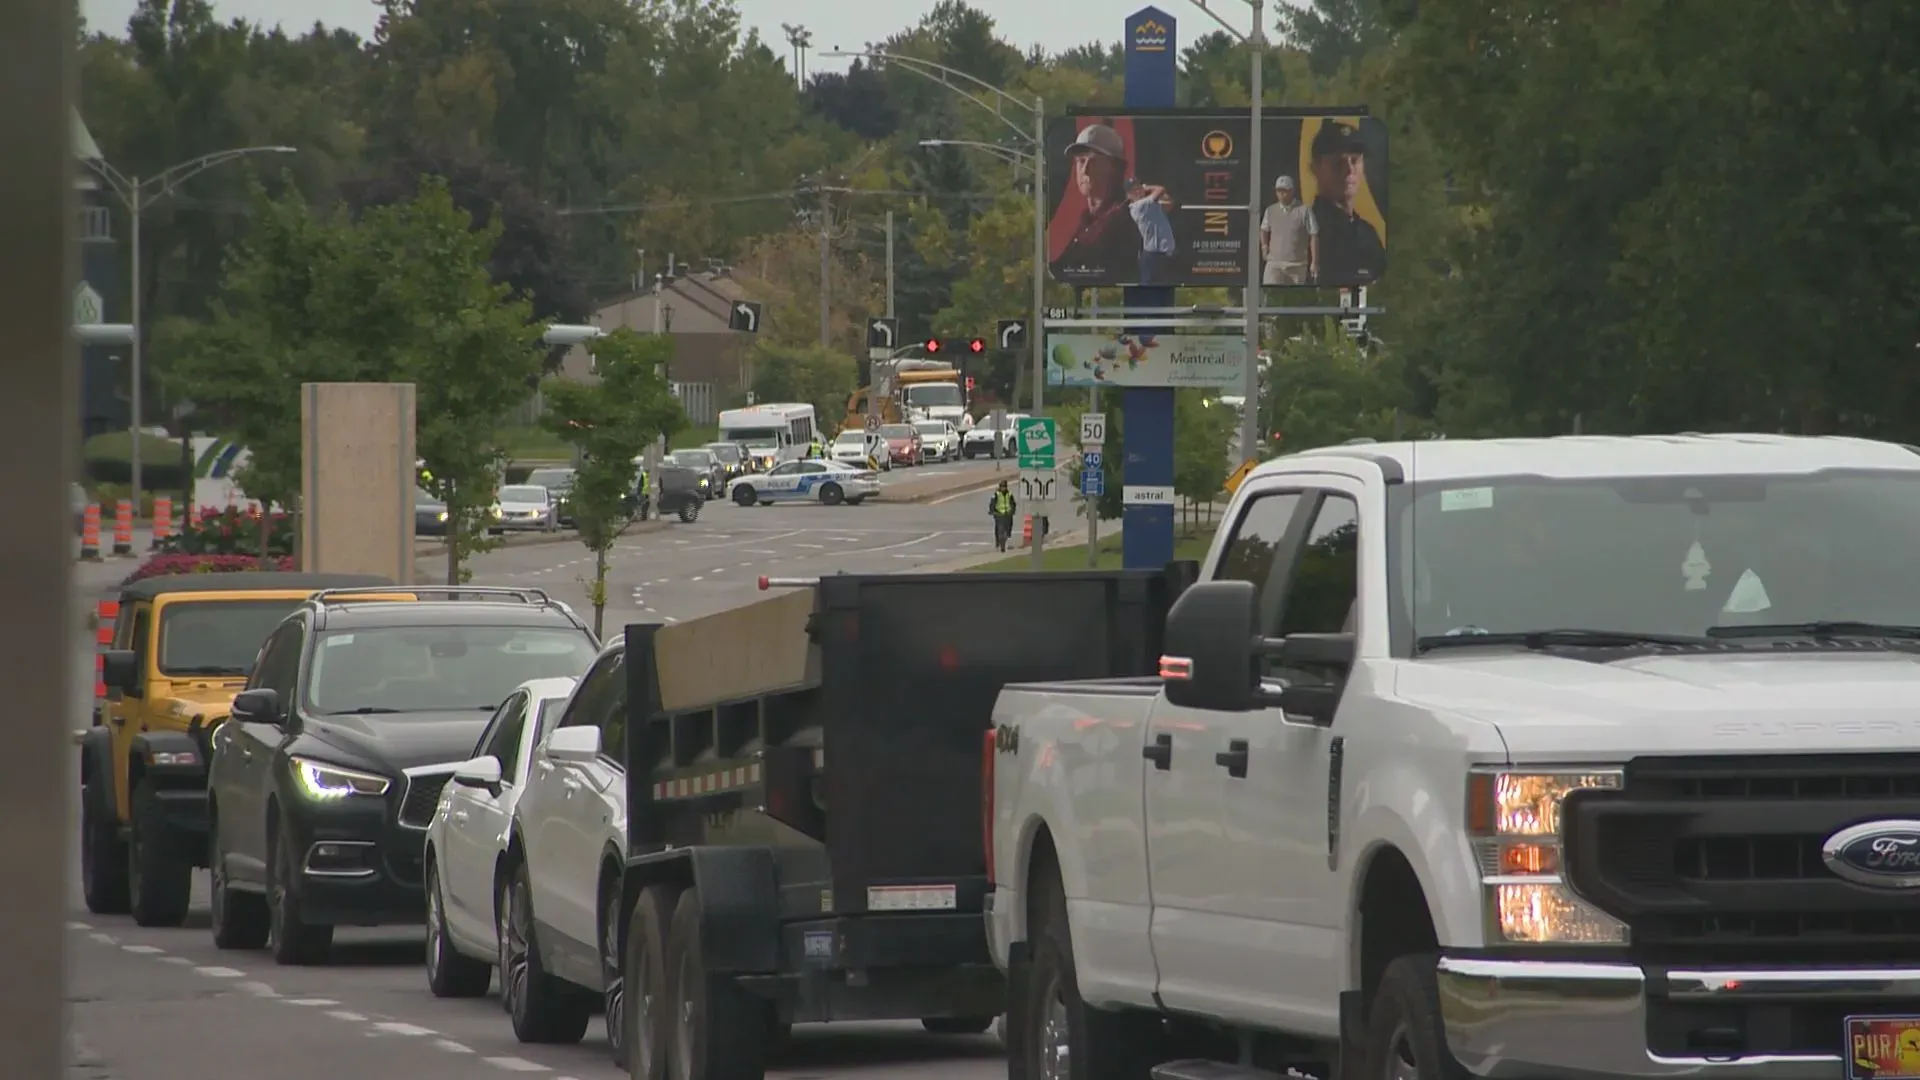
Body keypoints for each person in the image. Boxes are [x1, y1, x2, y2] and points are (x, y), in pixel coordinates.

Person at [1050, 124, 1142, 284]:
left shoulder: (1132, 219)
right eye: (1080, 161)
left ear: (1117, 167)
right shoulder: (1084, 223)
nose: (1084, 170)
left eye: (1093, 162)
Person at [1306, 121, 1385, 287]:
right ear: (1315, 168)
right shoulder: (1305, 232)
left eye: (1355, 161)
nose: (1349, 170)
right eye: (1338, 162)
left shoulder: (1368, 234)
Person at [1261, 175, 1314, 286]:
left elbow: (1314, 235)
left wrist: (1314, 262)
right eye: (1279, 191)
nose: (1282, 194)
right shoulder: (1270, 210)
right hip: (1274, 263)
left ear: (1292, 191)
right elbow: (1264, 229)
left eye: (1285, 191)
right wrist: (1264, 246)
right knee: (1269, 293)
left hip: (1297, 265)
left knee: (1296, 298)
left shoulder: (1304, 210)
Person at [1124, 178, 1176, 284]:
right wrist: (1146, 188)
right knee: (1149, 291)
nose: (1138, 191)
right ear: (1128, 195)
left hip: (1164, 256)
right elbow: (1161, 189)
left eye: (1138, 187)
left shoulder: (1150, 204)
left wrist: (1147, 191)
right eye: (1134, 190)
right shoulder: (1138, 207)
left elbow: (1169, 204)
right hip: (1152, 256)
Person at [988, 480, 1018, 552]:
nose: (1003, 488)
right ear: (1000, 487)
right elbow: (992, 503)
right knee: (999, 529)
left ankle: (1007, 540)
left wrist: (1012, 511)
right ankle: (998, 544)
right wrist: (992, 511)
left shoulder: (1009, 494)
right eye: (1002, 487)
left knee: (1008, 528)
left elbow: (1013, 503)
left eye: (1004, 487)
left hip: (1008, 514)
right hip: (999, 514)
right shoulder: (996, 494)